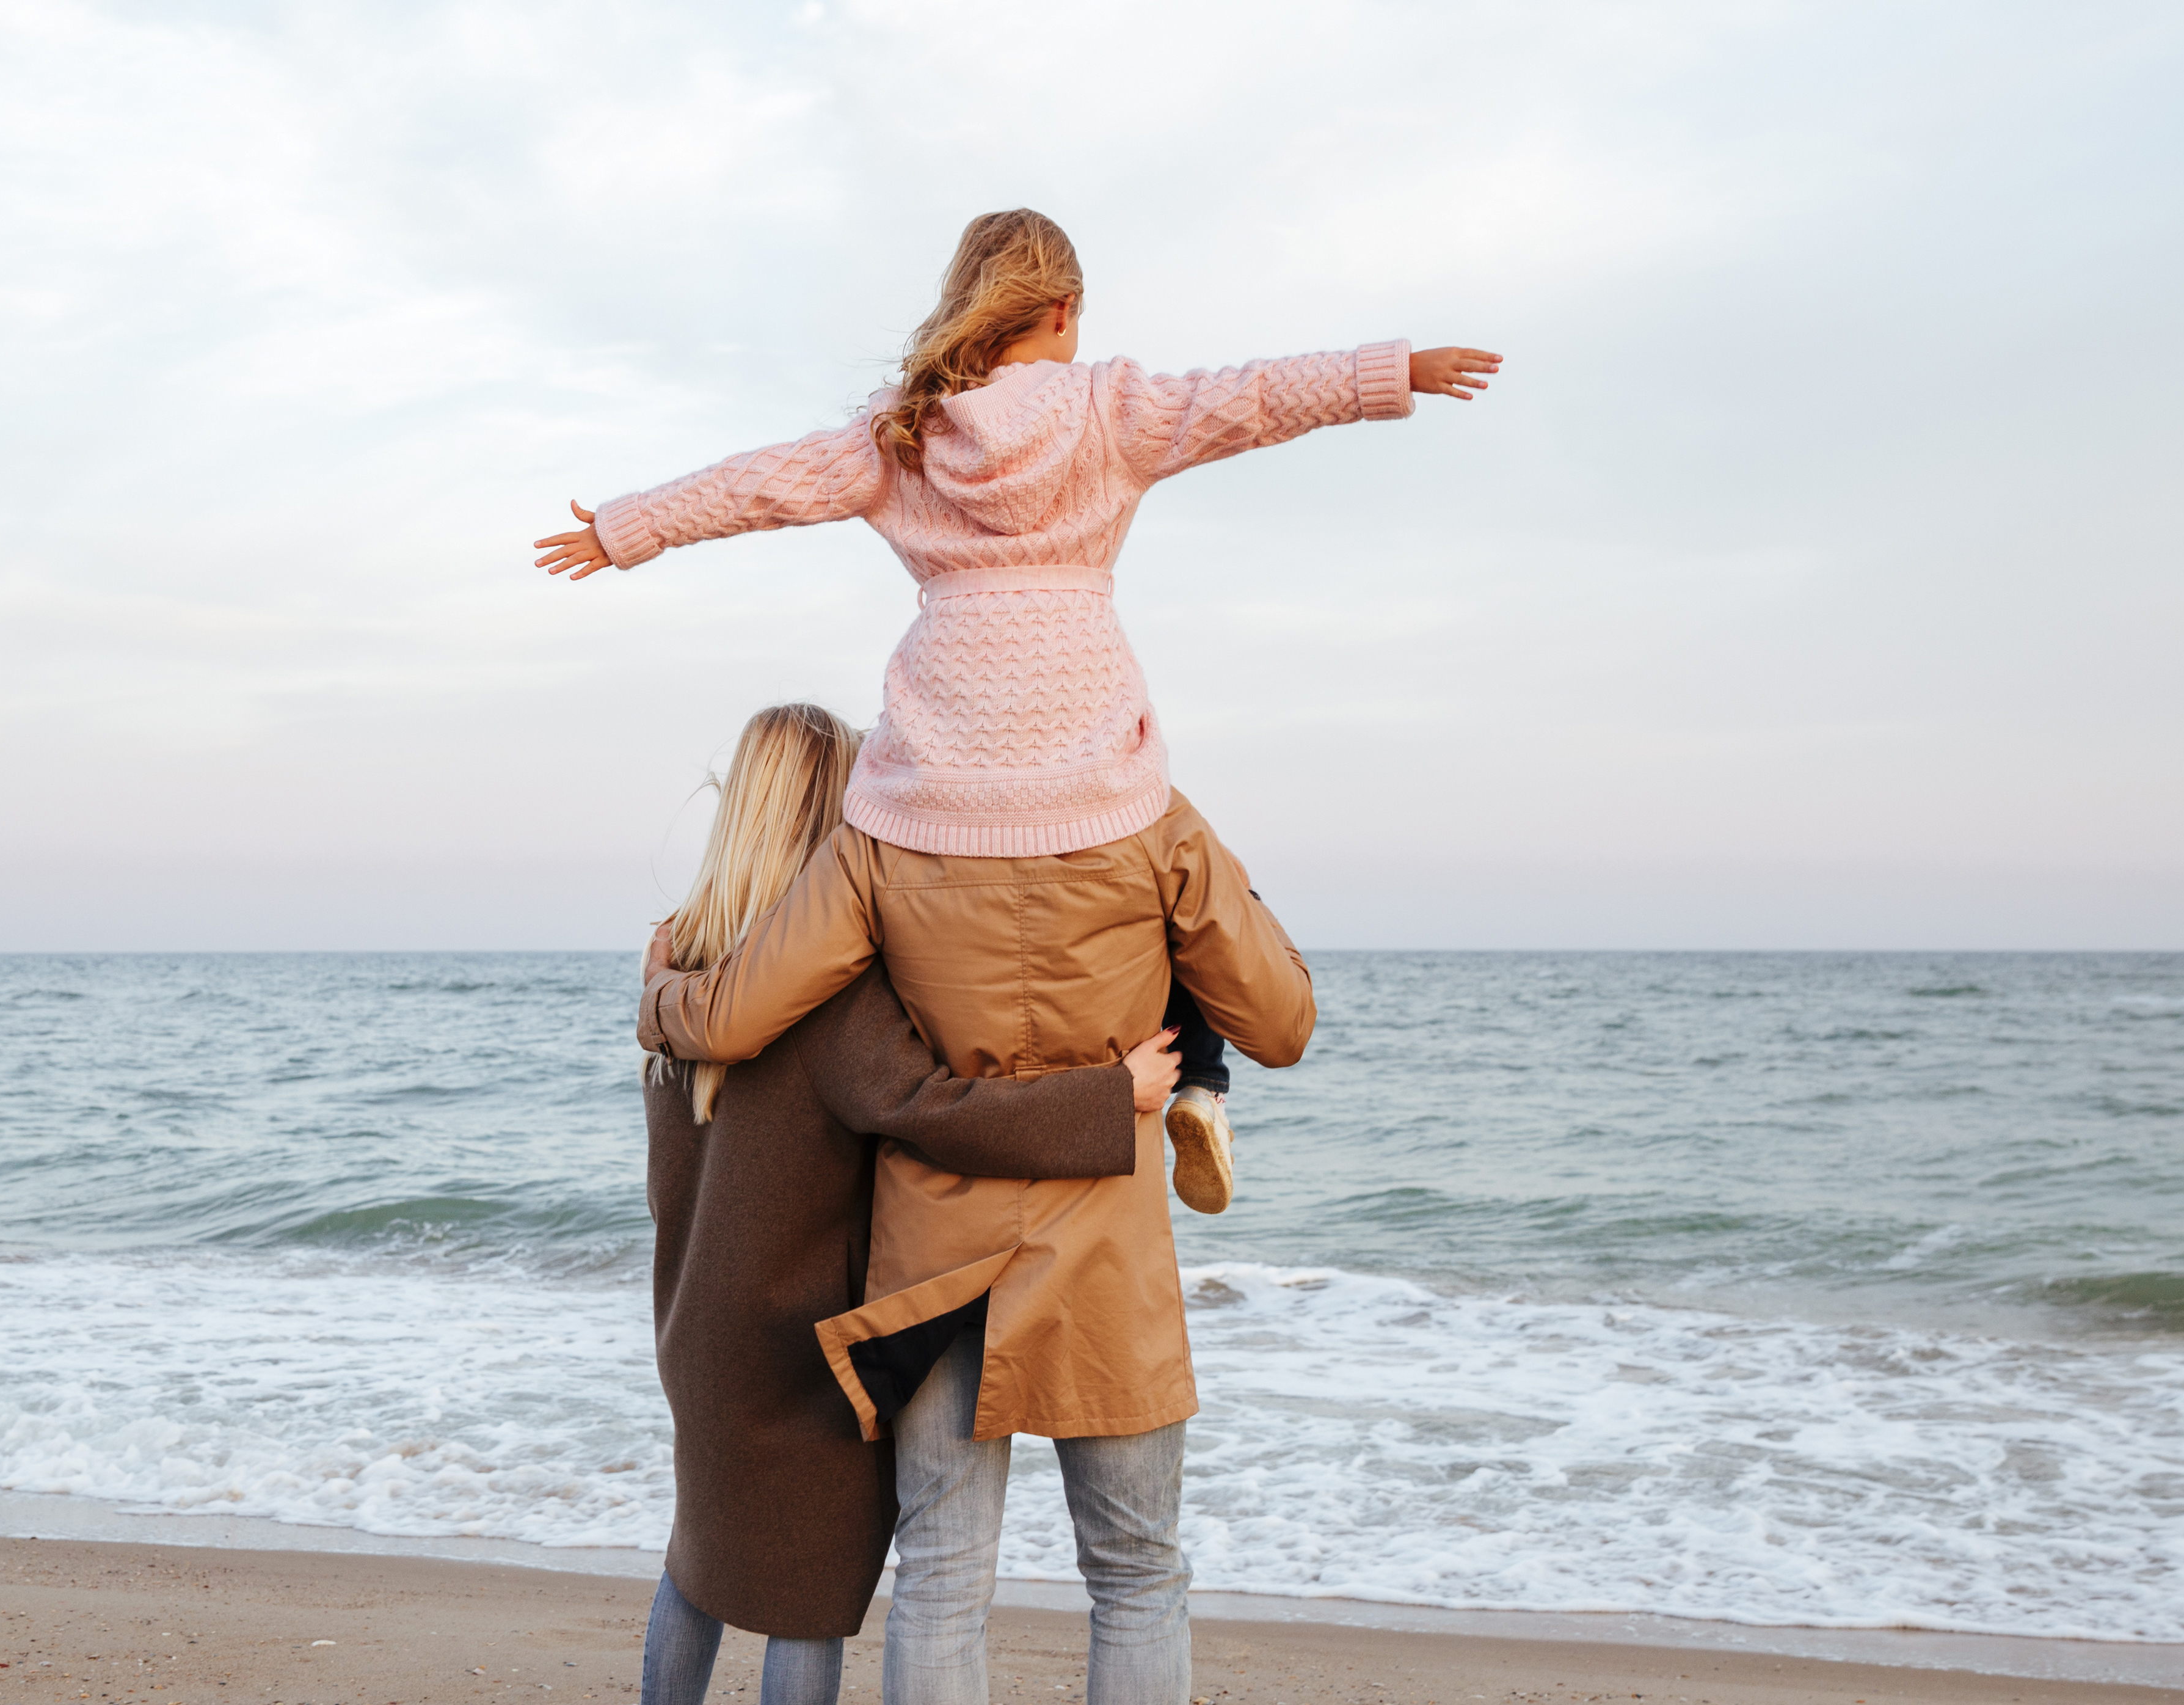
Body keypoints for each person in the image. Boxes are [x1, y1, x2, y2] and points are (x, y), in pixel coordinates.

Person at [539, 207, 1496, 1218]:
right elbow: (1253, 400)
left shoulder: (903, 431)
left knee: (744, 1008)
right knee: (1183, 877)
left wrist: (624, 528)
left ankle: (676, 1012)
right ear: (1062, 309)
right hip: (1097, 788)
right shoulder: (1108, 410)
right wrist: (1393, 373)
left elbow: (760, 487)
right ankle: (1203, 1080)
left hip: (924, 798)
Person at [627, 700, 1180, 1705]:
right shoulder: (830, 994)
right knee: (812, 1592)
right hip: (808, 1333)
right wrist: (1114, 1098)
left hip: (694, 1325)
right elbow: (939, 1110)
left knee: (698, 1557)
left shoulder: (673, 955)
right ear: (836, 818)